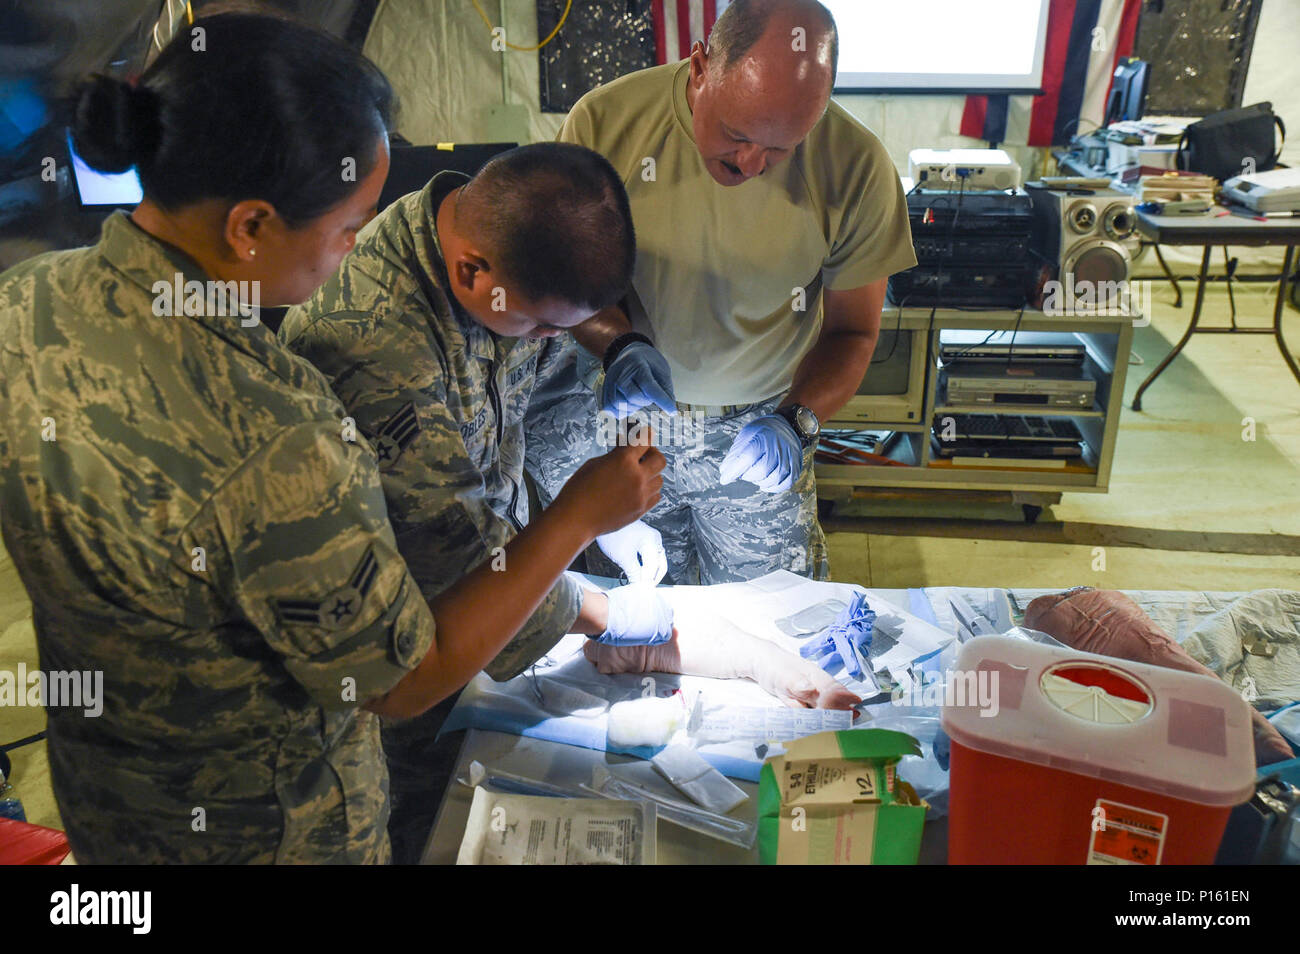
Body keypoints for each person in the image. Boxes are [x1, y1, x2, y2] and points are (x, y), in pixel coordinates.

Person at [0, 13, 663, 864]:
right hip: (268, 834)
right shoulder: (278, 434)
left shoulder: (28, 302)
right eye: (350, 226)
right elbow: (404, 678)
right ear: (250, 226)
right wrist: (576, 518)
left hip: (113, 807)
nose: (356, 250)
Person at [280, 140, 860, 863]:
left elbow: (532, 390)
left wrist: (618, 349)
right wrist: (598, 557)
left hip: (472, 598)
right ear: (472, 273)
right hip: (393, 670)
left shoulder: (485, 244)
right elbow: (457, 597)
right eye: (545, 325)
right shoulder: (383, 358)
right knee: (431, 824)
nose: (555, 340)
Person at [527, 0, 917, 585]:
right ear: (701, 64)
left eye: (783, 147)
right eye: (736, 136)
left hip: (755, 438)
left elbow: (853, 332)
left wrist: (797, 422)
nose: (754, 163)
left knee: (773, 631)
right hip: (630, 428)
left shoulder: (855, 167)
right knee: (644, 629)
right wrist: (619, 345)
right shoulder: (606, 126)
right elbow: (568, 286)